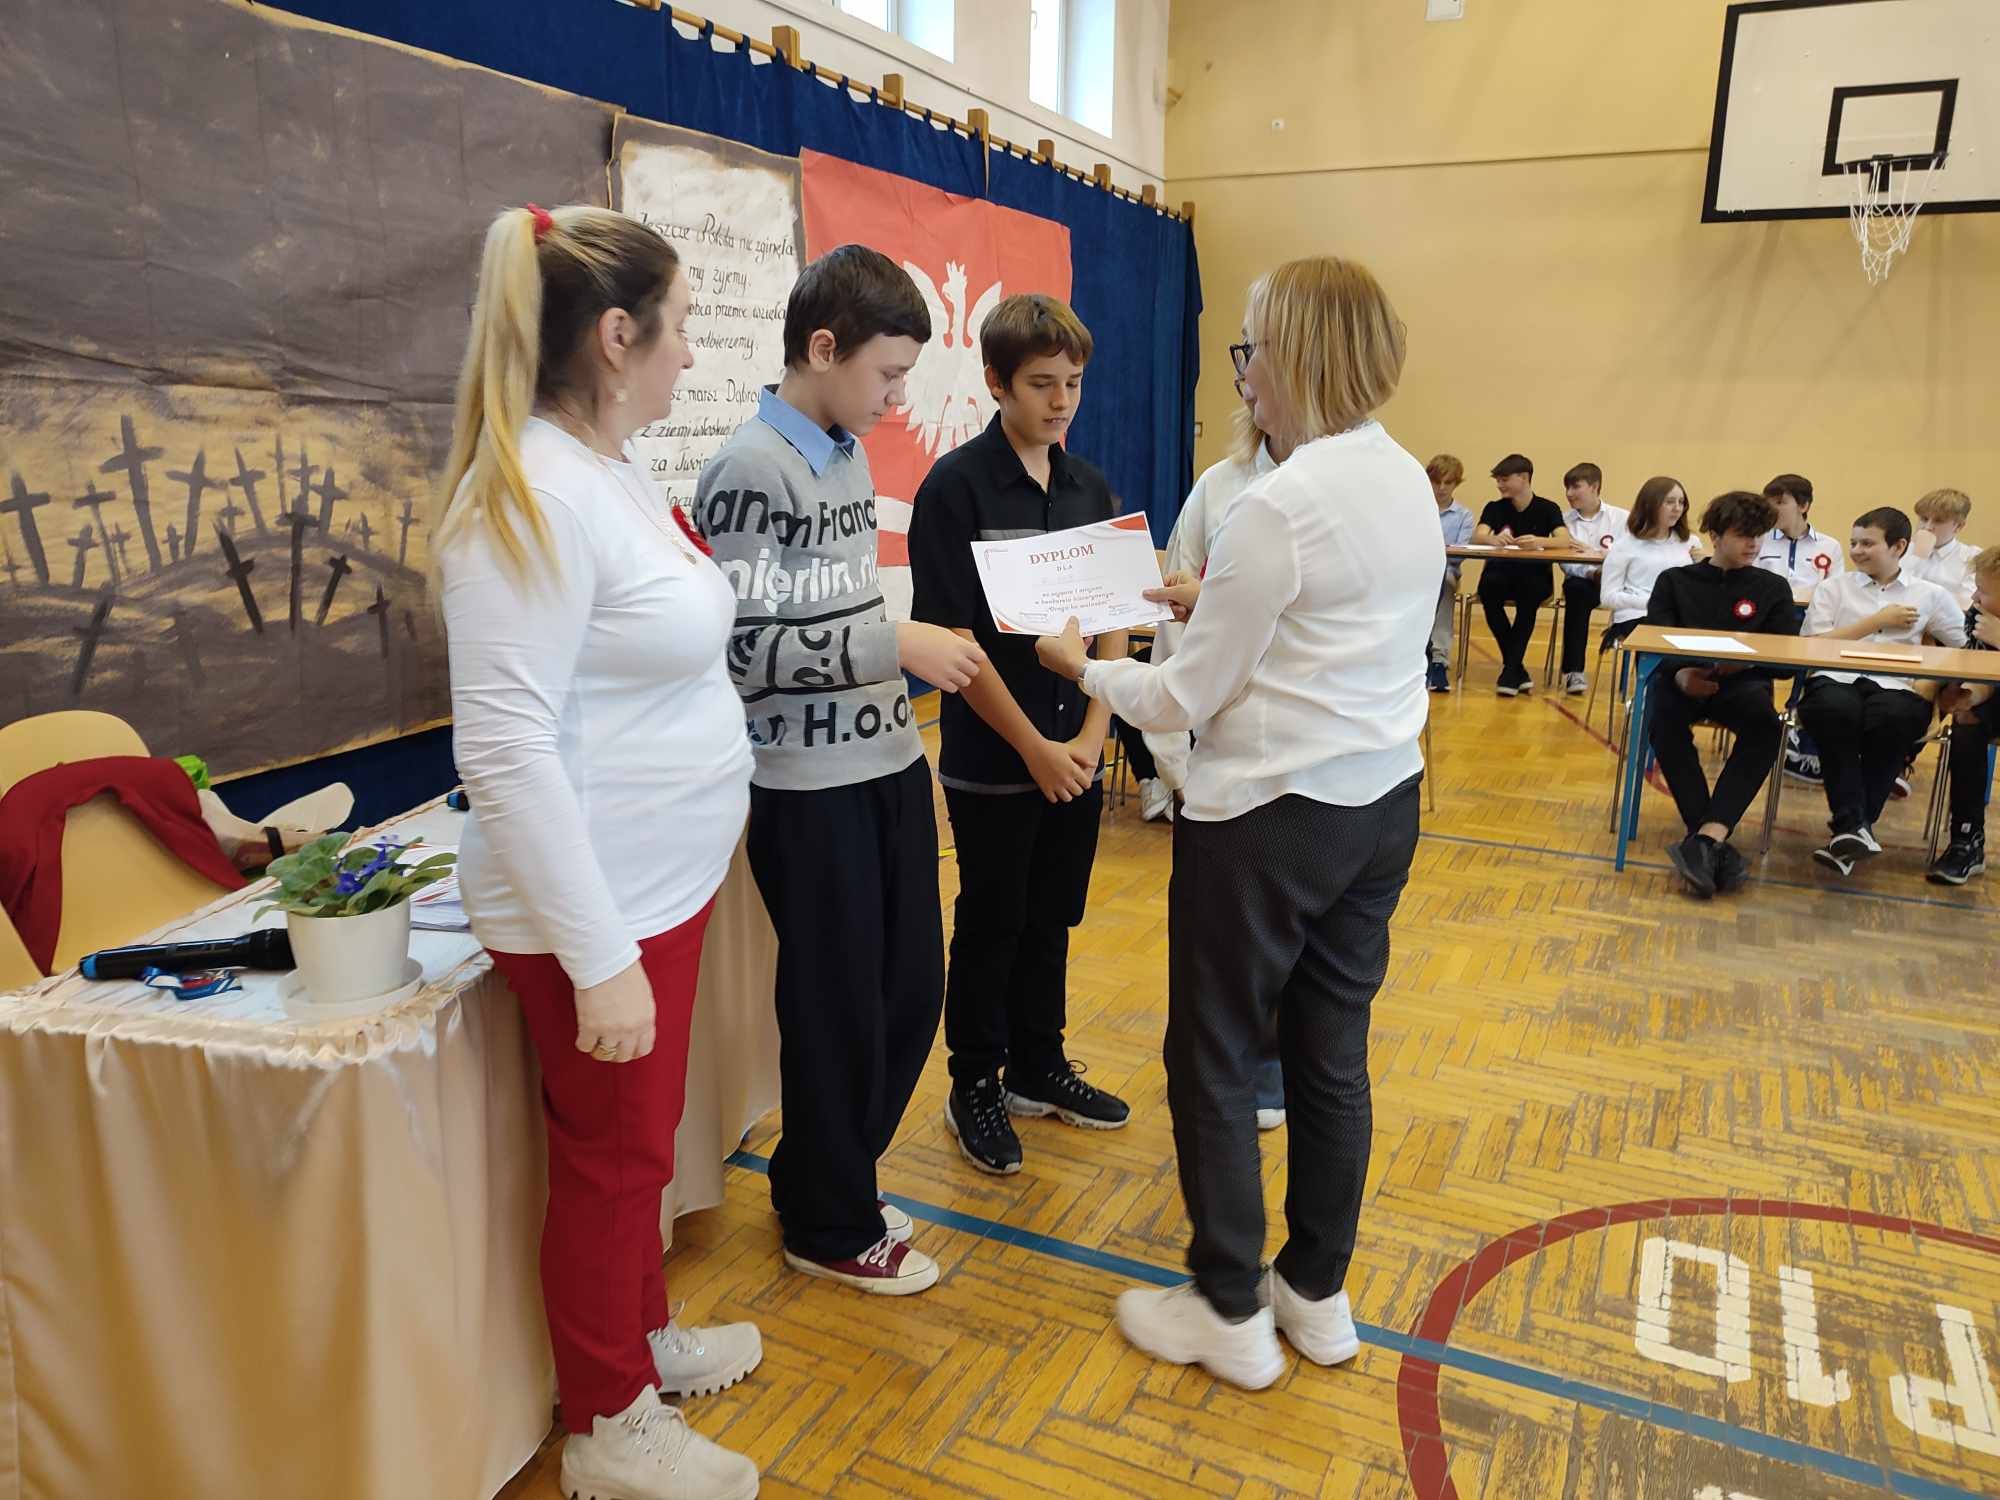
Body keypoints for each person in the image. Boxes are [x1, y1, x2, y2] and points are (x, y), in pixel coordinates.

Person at [1034, 256, 1436, 1390]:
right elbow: (1324, 619)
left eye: (1251, 347)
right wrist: (1210, 600)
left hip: (1269, 819)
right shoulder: (1400, 475)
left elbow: (1178, 698)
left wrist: (1080, 667)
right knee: (1329, 1053)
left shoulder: (1278, 503)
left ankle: (1224, 1306)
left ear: (1297, 353)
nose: (1242, 371)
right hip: (1380, 804)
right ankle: (1314, 1292)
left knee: (1210, 1051)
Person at [436, 204, 760, 1500]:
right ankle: (608, 1424)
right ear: (618, 335)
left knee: (639, 1147)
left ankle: (638, 1337)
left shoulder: (604, 467)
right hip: (601, 912)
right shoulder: (526, 495)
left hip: (654, 890)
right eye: (680, 326)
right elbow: (504, 751)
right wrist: (599, 958)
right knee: (611, 1163)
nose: (691, 352)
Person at [696, 245, 987, 1294]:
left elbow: (837, 608)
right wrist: (892, 644)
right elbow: (739, 649)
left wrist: (889, 656)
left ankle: (828, 1177)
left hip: (887, 763)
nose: (898, 399)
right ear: (822, 349)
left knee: (910, 991)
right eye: (887, 374)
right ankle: (829, 1222)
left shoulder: (846, 452)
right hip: (804, 786)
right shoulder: (746, 470)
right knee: (836, 1008)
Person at [905, 293, 1132, 1177]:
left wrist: (1094, 735)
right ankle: (975, 1082)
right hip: (997, 760)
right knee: (992, 921)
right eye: (1042, 383)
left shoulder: (1089, 488)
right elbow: (952, 642)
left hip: (1077, 753)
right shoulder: (954, 488)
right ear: (996, 382)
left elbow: (1113, 618)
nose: (1061, 400)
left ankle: (1040, 1065)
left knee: (1052, 918)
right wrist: (1034, 747)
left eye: (1072, 382)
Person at [1140, 394, 1296, 1128]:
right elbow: (1174, 619)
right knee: (1210, 939)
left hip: (1308, 764)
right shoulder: (1220, 487)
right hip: (1219, 763)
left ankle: (1269, 1066)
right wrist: (1175, 763)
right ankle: (1206, 1070)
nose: (1250, 381)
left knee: (1286, 938)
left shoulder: (1348, 486)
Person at [1640, 491, 1797, 898]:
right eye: (1743, 535)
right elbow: (1655, 644)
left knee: (1766, 726)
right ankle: (1708, 839)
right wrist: (1680, 674)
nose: (1753, 544)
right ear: (1715, 535)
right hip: (1681, 679)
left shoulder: (1774, 588)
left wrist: (1742, 666)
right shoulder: (1674, 581)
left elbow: (1784, 662)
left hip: (1743, 683)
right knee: (1662, 718)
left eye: (1759, 535)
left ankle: (1707, 836)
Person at [1798, 507, 1967, 877]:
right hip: (1835, 678)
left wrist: (1935, 678)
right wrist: (1876, 622)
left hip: (1897, 684)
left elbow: (1964, 646)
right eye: (1854, 543)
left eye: (1867, 543)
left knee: (1893, 720)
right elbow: (1811, 645)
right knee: (1835, 713)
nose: (1856, 551)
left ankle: (1850, 830)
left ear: (1898, 546)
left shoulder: (1929, 594)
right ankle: (1855, 827)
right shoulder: (1833, 588)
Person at [1754, 473, 1842, 784]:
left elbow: (1836, 592)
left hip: (1811, 620)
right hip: (1768, 621)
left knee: (1818, 649)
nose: (1772, 509)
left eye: (1780, 503)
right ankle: (1764, 724)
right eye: (1769, 503)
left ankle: (1797, 721)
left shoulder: (1830, 546)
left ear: (1803, 506)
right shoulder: (1759, 539)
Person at [1928, 547, 2000, 884]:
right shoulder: (1980, 616)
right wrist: (1968, 695)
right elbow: (1980, 669)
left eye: (1983, 591)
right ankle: (1966, 838)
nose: (1974, 597)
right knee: (1967, 722)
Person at [1473, 453, 1569, 695]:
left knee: (1529, 600)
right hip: (1500, 574)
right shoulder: (1494, 508)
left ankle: (1510, 670)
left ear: (1524, 478)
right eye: (1498, 480)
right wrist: (1492, 539)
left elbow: (1563, 540)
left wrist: (1539, 541)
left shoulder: (1548, 508)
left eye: (1504, 479)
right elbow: (1478, 535)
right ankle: (1515, 668)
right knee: (1488, 591)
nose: (1499, 485)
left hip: (1534, 576)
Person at [1599, 476, 1700, 645]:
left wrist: (1705, 562)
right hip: (1638, 615)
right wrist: (1654, 602)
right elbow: (1608, 597)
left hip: (1680, 614)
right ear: (1650, 504)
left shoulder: (1691, 543)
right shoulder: (1625, 545)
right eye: (1669, 502)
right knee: (1662, 628)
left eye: (1681, 502)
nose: (1677, 508)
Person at [1557, 462, 1627, 695]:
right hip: (1584, 582)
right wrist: (1593, 570)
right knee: (1576, 590)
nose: (1569, 493)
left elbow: (1627, 556)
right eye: (1567, 488)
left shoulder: (1622, 519)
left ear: (1595, 487)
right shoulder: (1563, 522)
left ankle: (1633, 673)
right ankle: (1574, 671)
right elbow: (1566, 561)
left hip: (1617, 582)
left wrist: (1591, 553)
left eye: (1576, 487)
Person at [1428, 455, 1474, 692]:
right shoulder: (1417, 509)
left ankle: (1439, 658)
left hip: (1447, 570)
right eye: (1437, 482)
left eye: (1448, 483)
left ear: (1456, 483)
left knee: (1444, 582)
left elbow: (1459, 554)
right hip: (1417, 570)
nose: (1442, 488)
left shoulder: (1464, 515)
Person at [1909, 487, 1983, 610]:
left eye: (1938, 521)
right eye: (1924, 519)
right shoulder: (1903, 550)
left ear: (1958, 526)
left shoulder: (1972, 558)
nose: (1927, 527)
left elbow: (1964, 604)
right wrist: (1914, 558)